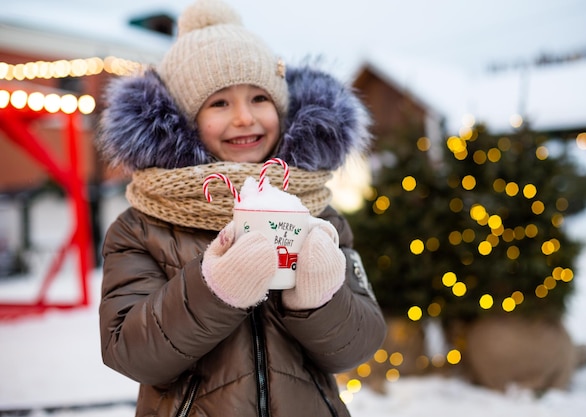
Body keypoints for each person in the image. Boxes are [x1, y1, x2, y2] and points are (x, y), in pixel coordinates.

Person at [96, 0, 387, 415]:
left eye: (258, 98)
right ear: (183, 119)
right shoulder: (142, 225)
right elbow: (128, 351)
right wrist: (214, 288)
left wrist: (321, 300)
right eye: (218, 103)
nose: (244, 118)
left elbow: (358, 346)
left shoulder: (316, 212)